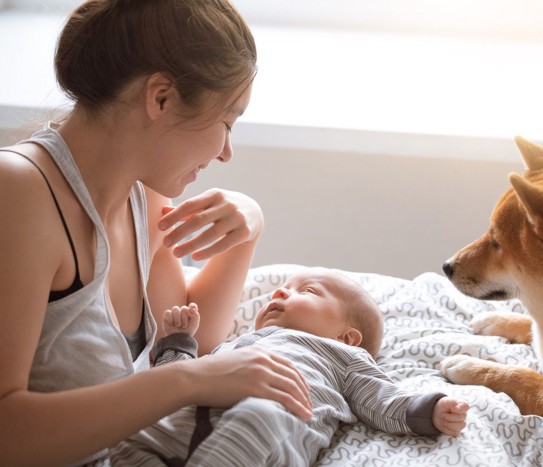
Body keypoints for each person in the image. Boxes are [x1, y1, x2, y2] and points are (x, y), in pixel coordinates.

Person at [0, 1, 314, 465]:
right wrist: (188, 381)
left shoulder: (141, 198)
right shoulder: (19, 192)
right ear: (161, 97)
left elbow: (193, 337)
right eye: (227, 122)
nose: (227, 152)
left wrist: (250, 226)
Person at [111, 267, 469, 466]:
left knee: (260, 415)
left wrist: (429, 410)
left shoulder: (340, 357)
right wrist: (178, 345)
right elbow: (175, 381)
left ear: (348, 337)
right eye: (280, 289)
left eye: (308, 291)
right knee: (129, 434)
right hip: (184, 428)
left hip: (269, 432)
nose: (279, 293)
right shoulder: (230, 346)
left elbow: (381, 399)